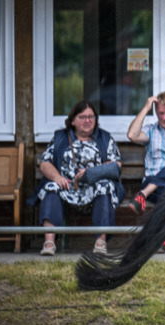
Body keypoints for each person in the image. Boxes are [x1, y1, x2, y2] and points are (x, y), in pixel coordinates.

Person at [31, 101, 122, 256]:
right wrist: (58, 177)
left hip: (93, 187)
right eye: (82, 117)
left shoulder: (104, 138)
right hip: (68, 187)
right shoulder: (60, 138)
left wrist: (91, 173)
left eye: (91, 117)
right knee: (51, 187)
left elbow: (116, 165)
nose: (87, 121)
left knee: (104, 186)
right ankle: (49, 242)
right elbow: (45, 163)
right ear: (73, 121)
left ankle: (100, 243)